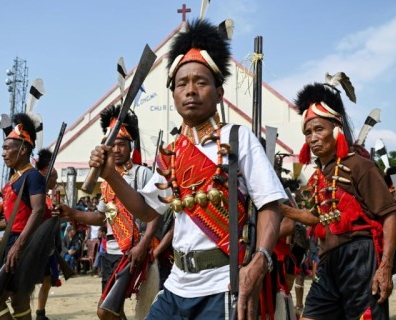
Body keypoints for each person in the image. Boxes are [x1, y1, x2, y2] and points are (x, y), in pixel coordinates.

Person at [87, 19, 286, 320]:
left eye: (201, 82)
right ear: (174, 95)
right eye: (182, 83)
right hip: (177, 285)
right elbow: (147, 210)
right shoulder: (170, 153)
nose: (190, 90)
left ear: (219, 93)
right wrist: (111, 175)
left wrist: (260, 259)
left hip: (223, 285)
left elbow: (271, 204)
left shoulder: (237, 138)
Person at [280, 81, 396, 319]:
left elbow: (390, 215)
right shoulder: (318, 176)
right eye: (308, 132)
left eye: (319, 129)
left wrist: (385, 267)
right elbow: (314, 217)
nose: (312, 138)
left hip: (360, 258)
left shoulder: (360, 166)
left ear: (336, 129)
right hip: (328, 262)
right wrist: (277, 207)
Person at [58, 104, 160, 320]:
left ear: (130, 147)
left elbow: (155, 213)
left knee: (104, 311)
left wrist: (143, 244)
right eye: (112, 145)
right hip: (110, 252)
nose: (116, 149)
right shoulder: (105, 181)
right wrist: (72, 213)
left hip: (132, 251)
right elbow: (100, 217)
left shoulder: (142, 174)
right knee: (115, 311)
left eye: (121, 144)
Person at [0, 113, 47, 320]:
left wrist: (18, 245)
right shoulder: (16, 177)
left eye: (7, 148)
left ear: (22, 150)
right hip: (12, 242)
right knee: (19, 300)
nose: (3, 153)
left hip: (22, 245)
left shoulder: (32, 176)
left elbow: (38, 211)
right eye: (2, 149)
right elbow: (12, 220)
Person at [34, 148, 61, 320]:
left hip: (48, 246)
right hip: (35, 245)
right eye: (55, 177)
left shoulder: (49, 197)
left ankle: (40, 314)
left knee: (46, 281)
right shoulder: (36, 196)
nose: (56, 181)